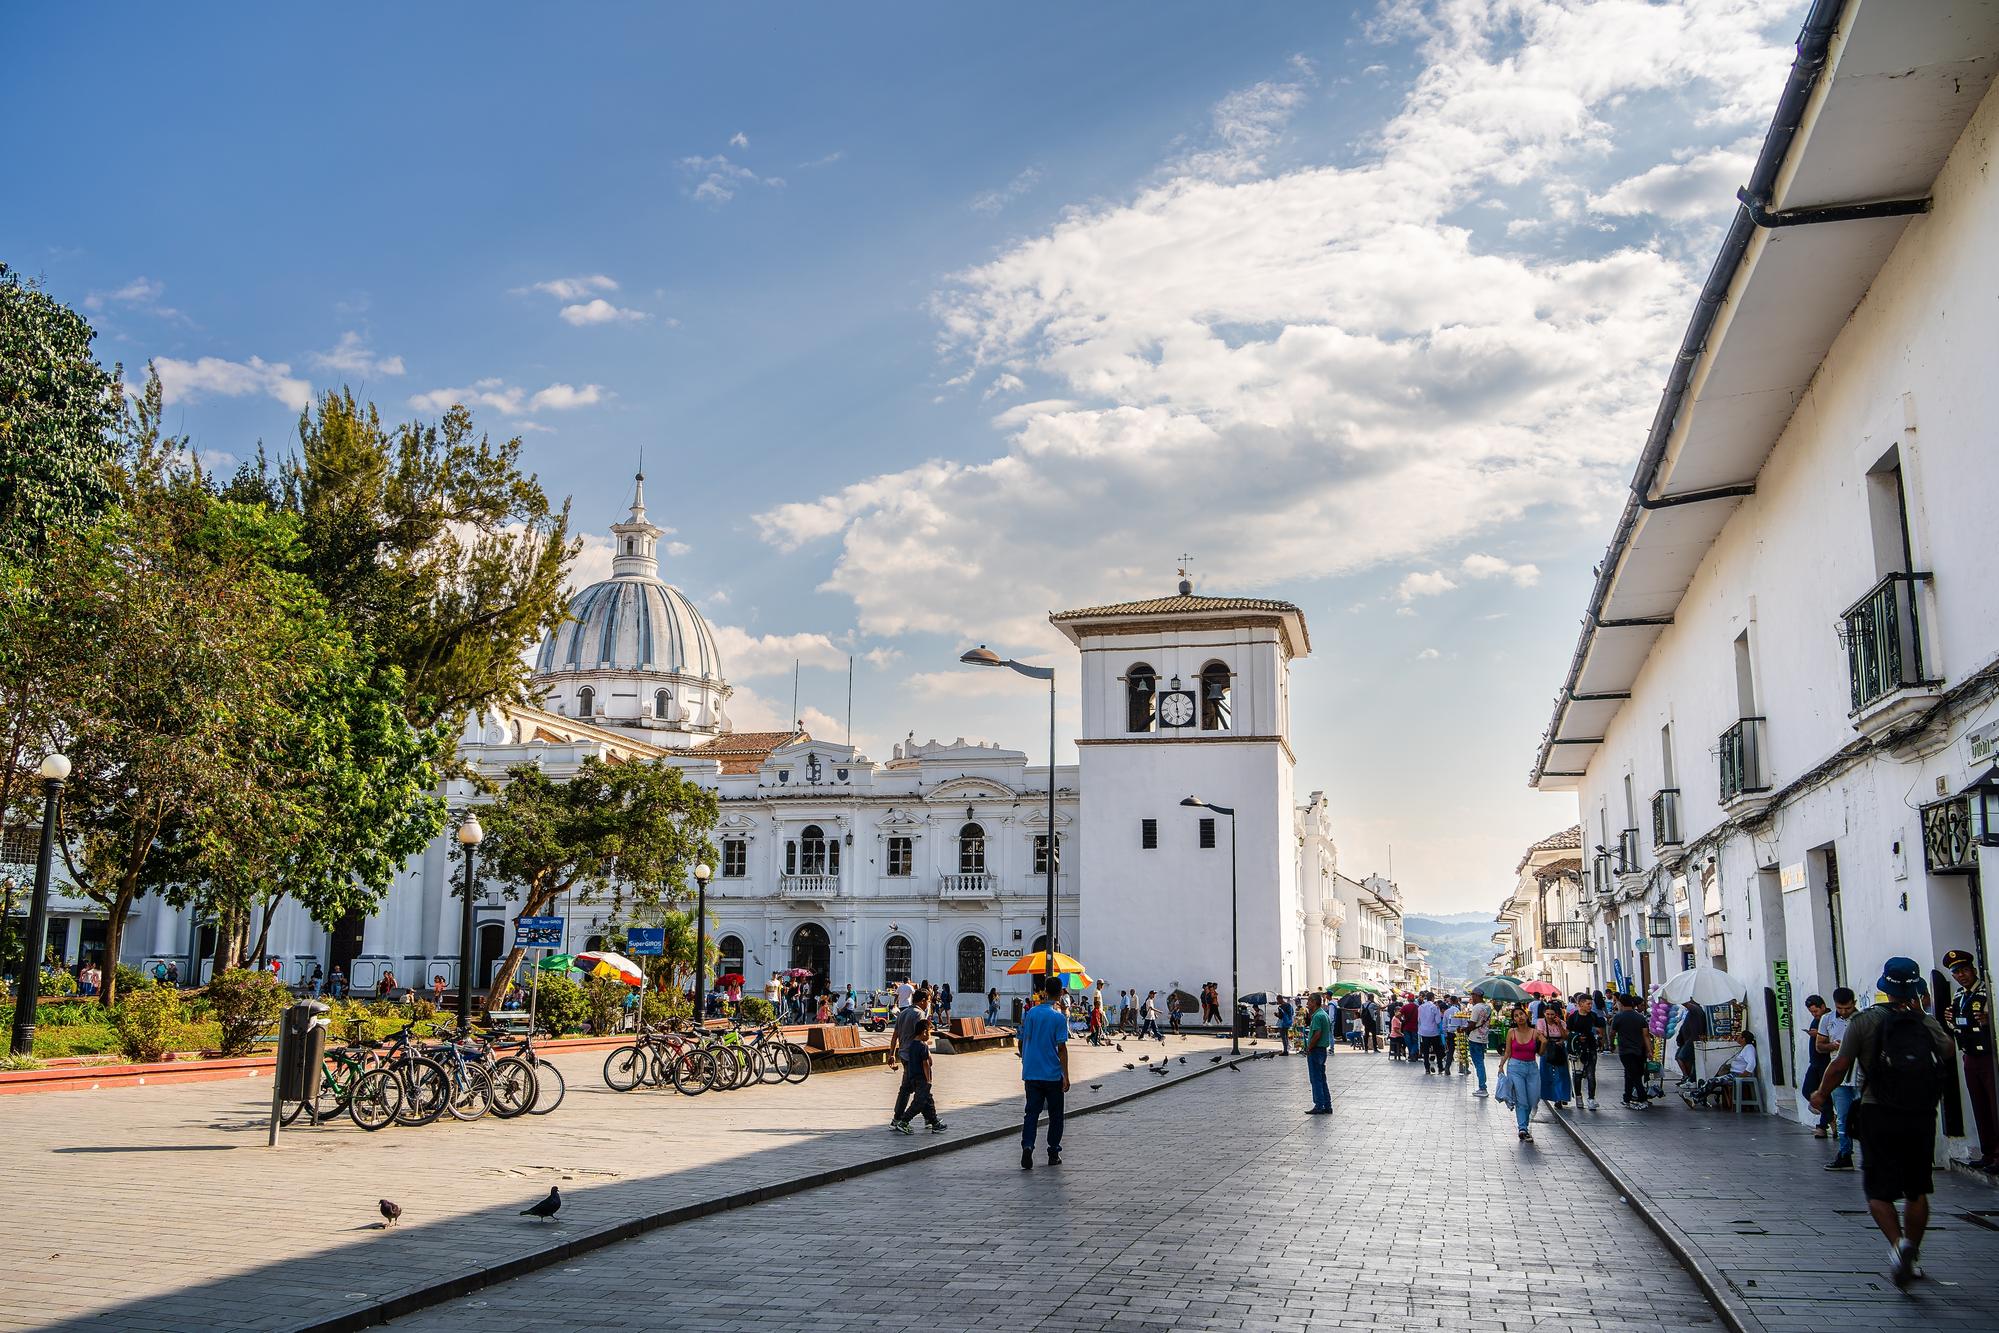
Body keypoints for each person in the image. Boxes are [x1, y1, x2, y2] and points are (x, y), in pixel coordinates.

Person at [1811, 957, 1956, 1288]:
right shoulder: (1924, 1021)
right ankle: (1913, 1253)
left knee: (1878, 1190)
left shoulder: (1865, 1021)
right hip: (1920, 1114)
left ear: (1884, 988)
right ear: (1916, 989)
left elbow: (1840, 1064)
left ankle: (1897, 1246)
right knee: (1917, 1189)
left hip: (1879, 1111)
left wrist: (1821, 1094)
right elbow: (1948, 1050)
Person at [1942, 949, 1997, 1171]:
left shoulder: (1985, 991)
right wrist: (1951, 1022)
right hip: (1969, 1054)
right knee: (1979, 1105)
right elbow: (1956, 1025)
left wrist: (1987, 1021)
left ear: (1973, 970)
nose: (1961, 975)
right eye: (1957, 972)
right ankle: (1987, 1152)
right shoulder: (1959, 996)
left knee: (1994, 1105)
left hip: (1988, 1056)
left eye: (1965, 970)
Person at [1019, 978, 1070, 1169]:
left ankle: (1028, 1146)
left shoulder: (1031, 1013)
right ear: (1060, 994)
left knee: (1031, 1112)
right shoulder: (1058, 1017)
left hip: (1032, 1072)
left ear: (1045, 991)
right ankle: (1053, 1152)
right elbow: (1062, 1048)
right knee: (1056, 1114)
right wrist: (1065, 1075)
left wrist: (1025, 1059)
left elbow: (1021, 1039)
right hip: (1052, 1073)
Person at [1818, 987, 1860, 1170]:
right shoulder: (1827, 1019)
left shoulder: (1863, 1019)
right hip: (1839, 1076)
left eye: (1848, 1008)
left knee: (1865, 1116)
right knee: (1843, 1117)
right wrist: (1833, 1046)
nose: (1844, 1012)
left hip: (1861, 1074)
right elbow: (1819, 1046)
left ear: (1854, 1004)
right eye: (1840, 1008)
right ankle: (1845, 1154)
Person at [889, 985, 935, 1130]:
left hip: (903, 1054)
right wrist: (928, 1055)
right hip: (915, 1057)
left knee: (909, 1087)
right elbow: (922, 1036)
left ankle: (929, 1118)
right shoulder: (919, 1014)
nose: (929, 1004)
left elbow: (895, 1035)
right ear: (922, 1001)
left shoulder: (903, 1013)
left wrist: (891, 1054)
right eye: (928, 1001)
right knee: (922, 1088)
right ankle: (900, 1119)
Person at [890, 1017, 946, 1135]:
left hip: (913, 1077)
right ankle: (904, 1121)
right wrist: (929, 1080)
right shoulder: (923, 1046)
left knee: (928, 1100)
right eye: (930, 1033)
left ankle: (935, 1123)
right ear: (924, 1032)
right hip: (922, 1078)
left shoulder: (912, 1045)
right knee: (919, 1102)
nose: (930, 1036)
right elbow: (926, 1064)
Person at [1500, 1007, 1543, 1142]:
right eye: (1516, 1016)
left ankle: (1525, 1124)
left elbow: (1540, 1053)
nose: (1520, 1017)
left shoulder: (1535, 1033)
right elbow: (1507, 1052)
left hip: (1532, 1068)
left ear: (1526, 1016)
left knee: (1533, 1098)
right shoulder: (1511, 1032)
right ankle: (1522, 1128)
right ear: (1514, 1020)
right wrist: (1501, 1066)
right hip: (1515, 1067)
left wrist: (1544, 1042)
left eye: (1522, 1014)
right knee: (1521, 1099)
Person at [1799, 993, 1833, 1138]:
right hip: (1815, 1062)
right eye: (1812, 1012)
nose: (1814, 1014)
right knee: (1808, 1091)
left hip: (1826, 1062)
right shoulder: (1816, 1020)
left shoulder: (1831, 1019)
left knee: (1826, 1094)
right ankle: (1831, 1119)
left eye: (1816, 1011)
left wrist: (1817, 1035)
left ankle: (1823, 1125)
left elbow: (1835, 1038)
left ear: (1823, 1007)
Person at [1611, 991, 1651, 1108]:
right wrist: (1649, 1050)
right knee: (1631, 1073)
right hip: (1639, 1050)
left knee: (1633, 1075)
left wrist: (1612, 1045)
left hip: (1625, 1051)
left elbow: (1612, 1033)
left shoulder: (1618, 1017)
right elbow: (1646, 1035)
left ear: (1621, 1003)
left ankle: (1642, 1098)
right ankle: (1627, 1097)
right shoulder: (1640, 1017)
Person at [1568, 992, 1606, 1111]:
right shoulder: (1573, 1017)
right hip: (1577, 1050)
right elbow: (1567, 1032)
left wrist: (1599, 1036)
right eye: (1588, 1004)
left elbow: (1600, 1029)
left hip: (1591, 1048)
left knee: (1591, 1074)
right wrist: (1576, 1037)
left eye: (1591, 1004)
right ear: (1580, 1004)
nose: (1590, 1006)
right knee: (1577, 1075)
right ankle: (1579, 1097)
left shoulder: (1593, 1016)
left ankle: (1591, 1099)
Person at [1537, 998, 1572, 1107]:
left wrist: (1559, 1025)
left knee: (1561, 1073)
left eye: (1552, 1014)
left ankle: (1561, 1097)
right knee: (1546, 1073)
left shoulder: (1561, 1022)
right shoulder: (1540, 1022)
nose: (1550, 1017)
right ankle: (1549, 1095)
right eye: (1548, 1014)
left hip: (1559, 1049)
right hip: (1547, 1049)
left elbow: (1566, 1036)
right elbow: (1540, 1034)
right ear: (1544, 1013)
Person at [1304, 992, 1333, 1113]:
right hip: (1322, 1050)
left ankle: (1319, 1105)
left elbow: (1317, 1034)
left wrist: (1309, 1047)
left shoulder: (1317, 1016)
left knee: (1315, 1078)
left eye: (1309, 1001)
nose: (1307, 1003)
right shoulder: (1323, 1014)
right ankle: (1327, 1105)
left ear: (1314, 1002)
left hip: (1316, 1050)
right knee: (1321, 1078)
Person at [1674, 997, 1708, 1087]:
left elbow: (1687, 1004)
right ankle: (1690, 1078)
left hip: (1694, 1039)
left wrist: (1676, 997)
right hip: (1688, 1040)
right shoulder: (1692, 1012)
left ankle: (1689, 1078)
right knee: (1685, 1058)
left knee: (1682, 1057)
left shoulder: (1696, 1009)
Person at [1464, 995, 1493, 1097]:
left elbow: (1472, 1024)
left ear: (1477, 996)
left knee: (1478, 1063)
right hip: (1484, 1038)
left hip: (1475, 1038)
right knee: (1480, 1062)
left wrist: (1465, 1029)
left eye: (1473, 996)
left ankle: (1482, 1087)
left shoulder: (1476, 1008)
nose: (1472, 998)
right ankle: (1482, 1086)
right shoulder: (1488, 1007)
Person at [1416, 992, 1443, 1073]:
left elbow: (1418, 1020)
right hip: (1433, 1032)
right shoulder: (1435, 1007)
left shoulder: (1420, 1007)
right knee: (1437, 1050)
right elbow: (1438, 1021)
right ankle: (1440, 1067)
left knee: (1426, 1051)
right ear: (1433, 998)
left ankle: (1427, 1068)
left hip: (1423, 1032)